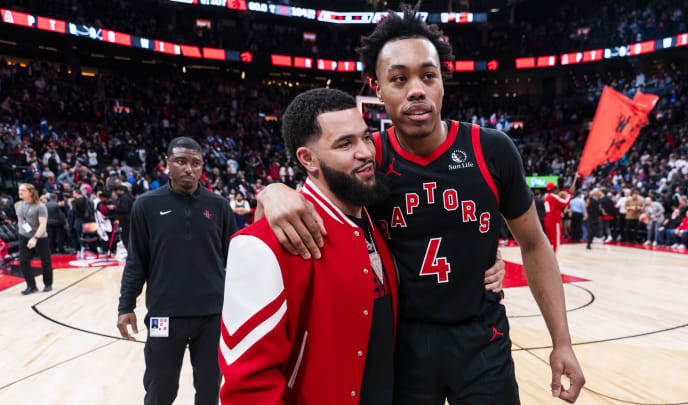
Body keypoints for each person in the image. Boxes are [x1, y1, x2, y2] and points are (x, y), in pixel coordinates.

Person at [256, 4, 584, 404]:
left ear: (443, 81)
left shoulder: (491, 149)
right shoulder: (367, 158)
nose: (416, 89)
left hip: (483, 339)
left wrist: (562, 342)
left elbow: (534, 244)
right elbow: (307, 205)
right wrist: (272, 191)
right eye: (398, 78)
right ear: (375, 88)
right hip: (401, 344)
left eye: (428, 75)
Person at [220, 88, 399, 404]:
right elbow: (248, 388)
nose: (366, 152)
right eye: (345, 143)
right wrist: (270, 191)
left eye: (366, 138)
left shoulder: (377, 219)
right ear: (308, 159)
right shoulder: (263, 245)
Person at [117, 137, 237, 405]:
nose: (189, 169)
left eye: (196, 163)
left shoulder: (218, 206)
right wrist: (126, 306)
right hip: (164, 315)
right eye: (181, 161)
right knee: (160, 390)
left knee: (209, 391)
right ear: (167, 164)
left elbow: (236, 260)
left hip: (212, 316)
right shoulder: (146, 205)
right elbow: (136, 261)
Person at [15, 183, 54, 294]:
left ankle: (48, 284)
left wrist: (35, 238)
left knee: (45, 262)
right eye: (19, 190)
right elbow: (20, 221)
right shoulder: (18, 205)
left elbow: (43, 224)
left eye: (23, 190)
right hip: (24, 237)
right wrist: (22, 234)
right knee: (23, 261)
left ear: (30, 192)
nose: (20, 192)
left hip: (40, 237)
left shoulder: (40, 206)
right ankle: (31, 286)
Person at [544, 182, 573, 253]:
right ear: (555, 189)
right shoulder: (553, 196)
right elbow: (565, 202)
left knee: (550, 241)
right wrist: (570, 194)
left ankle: (548, 257)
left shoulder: (547, 197)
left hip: (548, 219)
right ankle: (553, 260)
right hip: (554, 220)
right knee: (556, 241)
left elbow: (558, 205)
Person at [113, 185, 133, 250]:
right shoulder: (121, 198)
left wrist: (115, 208)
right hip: (123, 221)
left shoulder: (124, 198)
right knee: (124, 237)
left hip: (126, 221)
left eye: (115, 192)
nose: (115, 193)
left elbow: (125, 209)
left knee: (126, 237)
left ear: (118, 190)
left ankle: (129, 251)